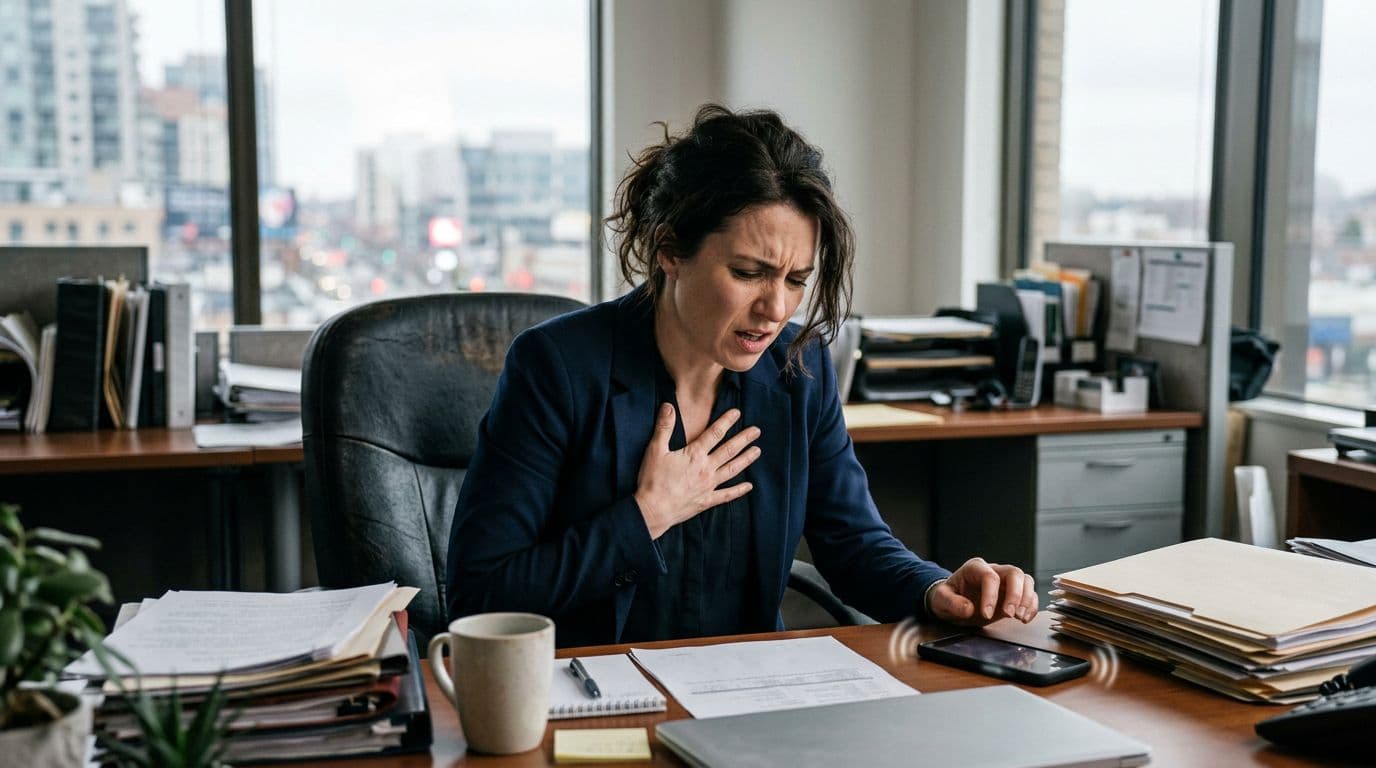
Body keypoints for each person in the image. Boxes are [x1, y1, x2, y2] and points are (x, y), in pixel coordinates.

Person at [446, 104, 1037, 647]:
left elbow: (855, 543)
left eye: (796, 280)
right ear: (670, 250)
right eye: (749, 272)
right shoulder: (557, 367)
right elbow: (481, 593)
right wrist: (647, 514)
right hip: (595, 697)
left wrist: (938, 591)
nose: (776, 309)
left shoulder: (798, 372)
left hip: (746, 692)